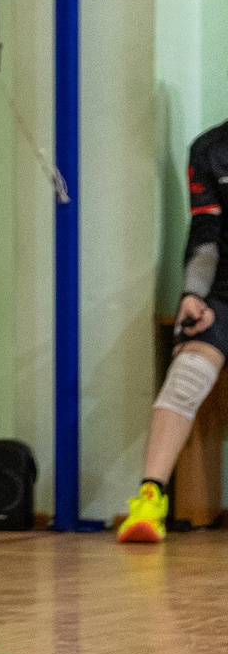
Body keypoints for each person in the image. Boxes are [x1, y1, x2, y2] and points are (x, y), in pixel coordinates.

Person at [115, 128, 228, 542]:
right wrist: (193, 294)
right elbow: (206, 235)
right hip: (222, 295)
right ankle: (150, 500)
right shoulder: (210, 150)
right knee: (187, 375)